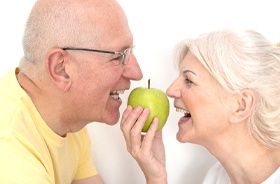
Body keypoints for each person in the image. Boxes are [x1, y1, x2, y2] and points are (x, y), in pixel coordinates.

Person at [0, 0, 143, 183]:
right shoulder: (9, 150)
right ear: (61, 69)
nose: (137, 73)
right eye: (117, 57)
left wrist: (156, 175)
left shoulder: (67, 116)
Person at [120, 29, 280, 184]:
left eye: (189, 80)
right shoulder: (215, 178)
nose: (170, 91)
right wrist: (156, 178)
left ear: (241, 106)